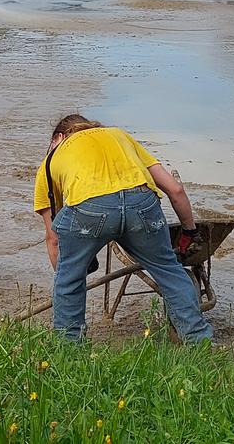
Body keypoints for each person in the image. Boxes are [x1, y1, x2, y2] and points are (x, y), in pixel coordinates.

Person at [33, 114, 212, 343]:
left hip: (89, 209)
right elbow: (175, 190)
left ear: (59, 137)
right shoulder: (119, 135)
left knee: (69, 280)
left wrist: (69, 270)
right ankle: (199, 341)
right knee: (169, 270)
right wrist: (189, 231)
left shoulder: (50, 161)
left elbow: (54, 238)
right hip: (142, 204)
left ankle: (69, 348)